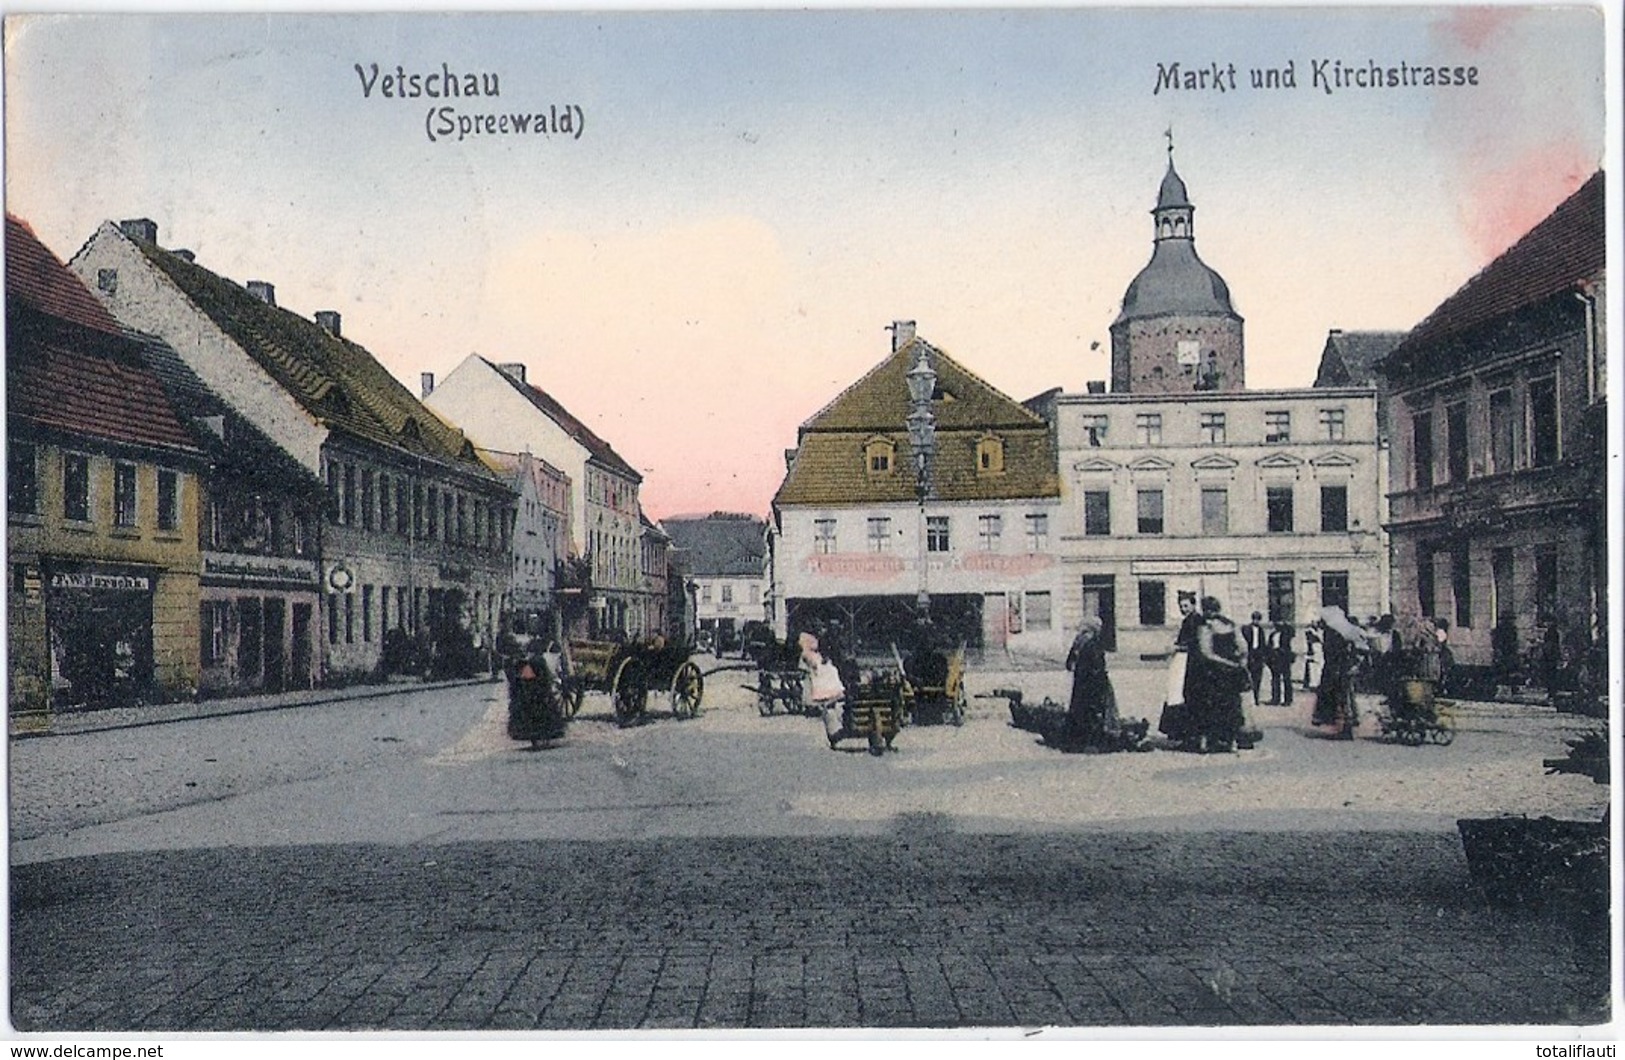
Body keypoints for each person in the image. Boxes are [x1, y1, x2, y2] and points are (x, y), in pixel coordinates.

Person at [1190, 596, 1249, 752]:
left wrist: (1225, 662)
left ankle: (1205, 742)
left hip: (1212, 672)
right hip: (1231, 673)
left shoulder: (1206, 626)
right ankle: (1232, 742)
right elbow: (1243, 648)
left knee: (1208, 705)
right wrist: (1239, 663)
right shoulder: (1231, 625)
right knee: (1231, 706)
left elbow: (1206, 653)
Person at [1063, 615, 1120, 751]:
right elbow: (1098, 665)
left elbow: (1069, 664)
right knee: (1094, 711)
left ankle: (1076, 740)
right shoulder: (1093, 643)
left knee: (1079, 709)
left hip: (1080, 682)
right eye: (1098, 627)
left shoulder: (1078, 641)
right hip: (1094, 682)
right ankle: (1093, 743)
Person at [1159, 592, 1203, 748]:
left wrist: (1176, 647)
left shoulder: (1196, 620)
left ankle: (1187, 735)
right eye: (1181, 606)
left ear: (1193, 605)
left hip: (1189, 661)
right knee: (1174, 693)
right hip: (1181, 660)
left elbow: (1195, 643)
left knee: (1181, 694)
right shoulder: (1188, 620)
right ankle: (1181, 734)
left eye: (1186, 606)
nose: (1183, 609)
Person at [1313, 605, 1365, 739]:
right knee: (1346, 697)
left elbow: (1332, 653)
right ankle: (1347, 725)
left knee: (1337, 697)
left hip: (1335, 669)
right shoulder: (1346, 631)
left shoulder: (1332, 633)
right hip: (1344, 668)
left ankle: (1342, 727)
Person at [801, 631, 847, 745]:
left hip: (827, 692)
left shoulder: (818, 662)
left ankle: (833, 734)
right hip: (836, 692)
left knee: (829, 711)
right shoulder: (831, 667)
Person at [1241, 612, 1268, 708]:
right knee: (1248, 677)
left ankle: (1256, 699)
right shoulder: (1246, 629)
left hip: (1258, 656)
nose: (1256, 621)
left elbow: (1263, 644)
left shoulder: (1261, 630)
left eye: (1258, 619)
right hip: (1249, 655)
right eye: (1255, 619)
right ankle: (1248, 699)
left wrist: (1263, 658)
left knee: (1258, 678)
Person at [1267, 622, 1295, 706]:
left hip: (1284, 657)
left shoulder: (1287, 634)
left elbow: (1289, 646)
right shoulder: (1272, 635)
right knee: (1275, 678)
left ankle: (1288, 700)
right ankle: (1275, 698)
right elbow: (1269, 646)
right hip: (1275, 657)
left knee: (1286, 678)